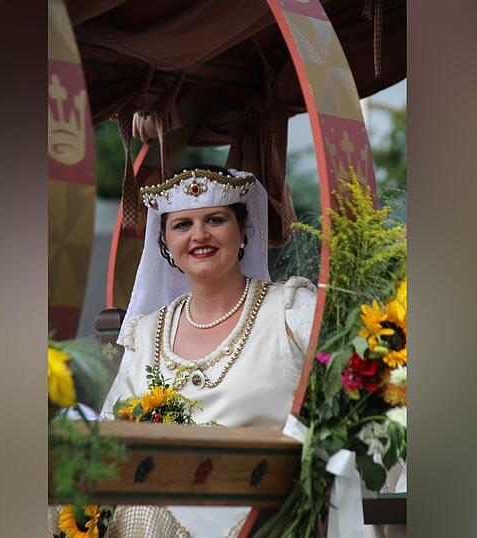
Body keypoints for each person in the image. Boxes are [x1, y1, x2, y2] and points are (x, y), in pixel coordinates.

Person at [99, 166, 317, 538]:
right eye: (182, 225)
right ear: (165, 241)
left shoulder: (292, 310)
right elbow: (109, 431)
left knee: (141, 512)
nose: (199, 235)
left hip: (259, 515)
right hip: (150, 505)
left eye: (215, 219)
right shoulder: (147, 331)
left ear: (242, 230)